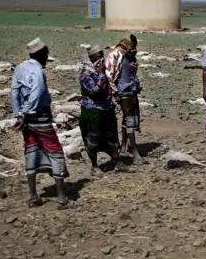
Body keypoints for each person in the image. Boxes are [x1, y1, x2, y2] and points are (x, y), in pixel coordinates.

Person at [11, 37, 75, 209]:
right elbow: (37, 92)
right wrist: (26, 112)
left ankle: (33, 195)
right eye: (46, 53)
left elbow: (15, 92)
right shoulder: (38, 72)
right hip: (39, 117)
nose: (47, 56)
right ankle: (62, 198)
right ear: (40, 54)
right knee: (55, 152)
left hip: (27, 121)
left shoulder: (20, 68)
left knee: (31, 150)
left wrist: (19, 114)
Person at [78, 45, 131, 175]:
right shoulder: (86, 74)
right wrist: (101, 75)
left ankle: (117, 161)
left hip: (106, 109)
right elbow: (94, 91)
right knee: (93, 139)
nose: (102, 58)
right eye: (99, 56)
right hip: (92, 111)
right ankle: (94, 166)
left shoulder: (102, 71)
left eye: (102, 55)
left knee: (111, 137)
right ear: (92, 58)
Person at [105, 34, 145, 164]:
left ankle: (123, 147)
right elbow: (109, 75)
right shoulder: (115, 55)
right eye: (132, 47)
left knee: (129, 120)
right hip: (124, 92)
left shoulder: (127, 57)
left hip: (131, 90)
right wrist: (115, 92)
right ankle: (134, 150)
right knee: (129, 121)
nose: (134, 50)